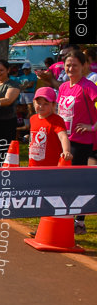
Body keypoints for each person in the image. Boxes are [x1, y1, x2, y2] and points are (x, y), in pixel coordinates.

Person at [56, 49, 97, 233]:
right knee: (64, 180)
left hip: (82, 141)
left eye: (75, 65)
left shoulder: (88, 86)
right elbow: (59, 112)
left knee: (77, 181)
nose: (70, 68)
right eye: (68, 65)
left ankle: (79, 221)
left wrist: (92, 127)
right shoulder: (64, 87)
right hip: (65, 139)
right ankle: (64, 217)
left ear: (84, 66)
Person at [28, 87, 71, 166]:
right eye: (38, 103)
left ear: (53, 104)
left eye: (46, 104)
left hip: (51, 165)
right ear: (34, 103)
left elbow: (63, 136)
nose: (41, 106)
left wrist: (66, 151)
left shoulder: (56, 120)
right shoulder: (32, 118)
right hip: (33, 164)